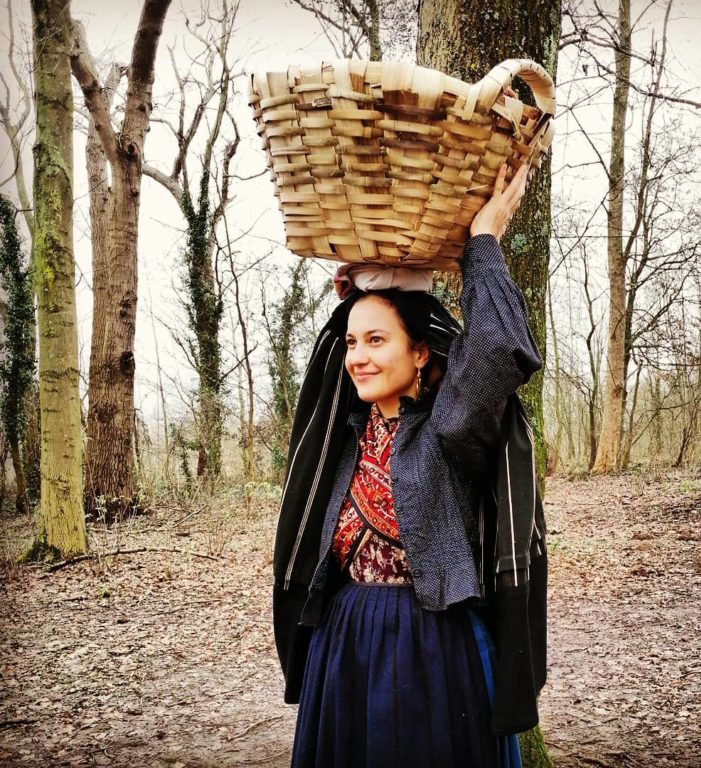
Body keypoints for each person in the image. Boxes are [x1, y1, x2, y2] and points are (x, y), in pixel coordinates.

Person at [273, 162, 548, 768]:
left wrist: (482, 245)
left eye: (377, 341)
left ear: (420, 352)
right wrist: (366, 286)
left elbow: (498, 350)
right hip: (344, 651)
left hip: (433, 656)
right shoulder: (343, 434)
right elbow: (333, 356)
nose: (357, 358)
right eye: (352, 342)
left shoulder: (451, 428)